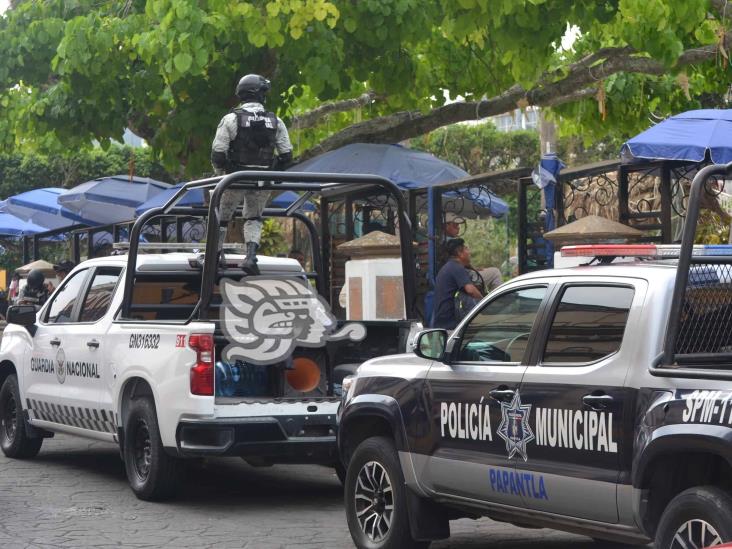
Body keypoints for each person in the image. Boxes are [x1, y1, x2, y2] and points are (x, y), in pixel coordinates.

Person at [211, 73, 294, 275]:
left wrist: (223, 175)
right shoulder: (276, 121)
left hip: (235, 178)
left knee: (221, 217)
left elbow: (218, 153)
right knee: (254, 218)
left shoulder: (230, 119)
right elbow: (287, 155)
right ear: (259, 94)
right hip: (263, 179)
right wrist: (271, 173)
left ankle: (216, 256)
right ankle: (250, 256)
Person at [431, 239, 482, 330]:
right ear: (460, 253)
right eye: (466, 249)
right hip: (450, 324)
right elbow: (470, 290)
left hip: (443, 322)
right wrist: (485, 303)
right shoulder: (456, 267)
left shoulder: (449, 266)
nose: (469, 252)